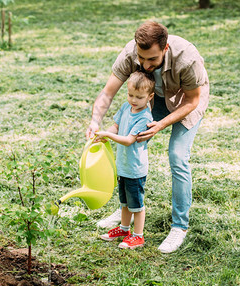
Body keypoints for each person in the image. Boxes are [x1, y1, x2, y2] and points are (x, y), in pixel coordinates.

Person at [88, 21, 209, 253]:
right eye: (141, 58)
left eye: (152, 60)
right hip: (150, 99)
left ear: (165, 49)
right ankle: (128, 211)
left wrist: (160, 124)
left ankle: (179, 226)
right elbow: (108, 91)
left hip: (186, 101)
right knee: (127, 145)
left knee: (177, 156)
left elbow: (193, 100)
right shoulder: (130, 53)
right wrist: (95, 121)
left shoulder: (187, 58)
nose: (145, 64)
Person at [97, 71, 154, 249]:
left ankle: (138, 236)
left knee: (136, 204)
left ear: (150, 97)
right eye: (130, 95)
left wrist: (108, 135)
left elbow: (129, 140)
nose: (133, 100)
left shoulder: (145, 117)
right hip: (123, 166)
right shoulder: (125, 108)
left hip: (135, 168)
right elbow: (116, 126)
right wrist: (105, 134)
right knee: (125, 202)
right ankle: (124, 229)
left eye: (139, 97)